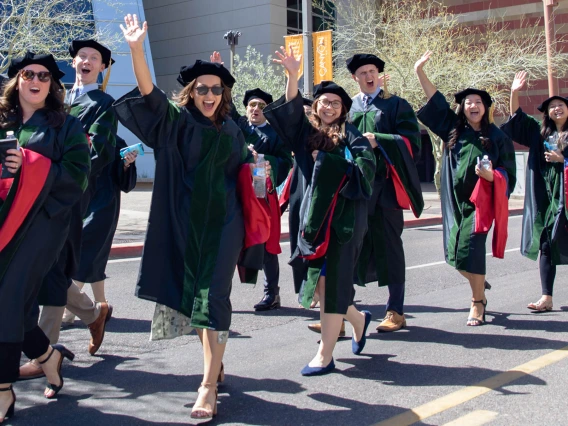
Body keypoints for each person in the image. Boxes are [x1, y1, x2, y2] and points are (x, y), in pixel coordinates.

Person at [113, 14, 268, 419]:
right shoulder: (177, 122)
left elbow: (243, 172)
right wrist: (135, 50)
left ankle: (207, 385)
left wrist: (256, 169)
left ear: (224, 94)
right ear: (191, 92)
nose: (210, 94)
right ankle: (214, 364)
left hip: (224, 226)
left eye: (217, 89)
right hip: (185, 224)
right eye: (202, 89)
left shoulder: (233, 129)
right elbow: (148, 94)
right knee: (197, 302)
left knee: (214, 299)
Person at [263, 46, 376, 376]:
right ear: (316, 105)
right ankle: (356, 318)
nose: (329, 106)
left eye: (336, 103)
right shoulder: (306, 134)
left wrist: (328, 164)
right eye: (324, 101)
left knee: (332, 281)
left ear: (343, 110)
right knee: (326, 284)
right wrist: (292, 76)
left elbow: (365, 172)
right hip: (312, 218)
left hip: (342, 221)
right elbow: (289, 112)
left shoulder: (351, 136)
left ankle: (325, 355)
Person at [0, 51, 90, 419]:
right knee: (15, 308)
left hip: (42, 226)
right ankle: (48, 357)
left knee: (6, 299)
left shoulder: (64, 126)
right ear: (17, 80)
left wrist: (31, 163)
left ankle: (3, 389)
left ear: (53, 84)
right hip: (3, 223)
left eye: (43, 76)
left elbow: (79, 176)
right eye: (27, 74)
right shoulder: (2, 120)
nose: (35, 81)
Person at [414, 50, 516, 325]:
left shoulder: (497, 137)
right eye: (468, 102)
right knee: (455, 256)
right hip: (454, 203)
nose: (472, 105)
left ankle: (477, 301)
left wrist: (492, 175)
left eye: (478, 102)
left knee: (470, 249)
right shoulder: (452, 129)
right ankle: (479, 284)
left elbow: (509, 172)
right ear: (463, 108)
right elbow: (435, 101)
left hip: (479, 204)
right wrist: (419, 71)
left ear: (486, 107)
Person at [31, 40, 118, 362]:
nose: (86, 60)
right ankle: (92, 314)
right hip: (35, 195)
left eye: (94, 58)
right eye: (82, 55)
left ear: (102, 67)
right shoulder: (53, 99)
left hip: (69, 196)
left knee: (52, 264)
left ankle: (44, 351)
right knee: (45, 265)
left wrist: (58, 181)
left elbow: (98, 152)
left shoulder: (103, 104)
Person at [348, 54, 424, 333]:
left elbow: (412, 143)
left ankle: (396, 310)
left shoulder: (396, 105)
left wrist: (379, 140)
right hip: (358, 186)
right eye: (362, 73)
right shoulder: (348, 107)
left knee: (391, 245)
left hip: (388, 187)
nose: (369, 76)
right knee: (350, 243)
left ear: (380, 75)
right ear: (354, 78)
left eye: (373, 71)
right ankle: (343, 309)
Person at [501, 71, 568, 311]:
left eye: (560, 105)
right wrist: (514, 91)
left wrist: (564, 160)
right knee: (547, 245)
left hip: (567, 198)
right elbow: (516, 118)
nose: (557, 109)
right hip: (549, 201)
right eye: (552, 107)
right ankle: (546, 298)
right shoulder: (540, 134)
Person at [226, 81, 292, 311]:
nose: (255, 109)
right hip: (236, 192)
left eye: (261, 105)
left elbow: (286, 160)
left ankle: (271, 293)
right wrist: (223, 80)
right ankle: (220, 293)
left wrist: (262, 161)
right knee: (231, 241)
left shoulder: (276, 133)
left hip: (262, 195)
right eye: (252, 105)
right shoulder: (240, 127)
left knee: (266, 243)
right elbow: (228, 108)